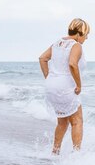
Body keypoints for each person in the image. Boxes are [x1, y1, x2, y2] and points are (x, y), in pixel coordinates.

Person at [39, 18, 90, 154]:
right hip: (66, 88)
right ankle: (76, 155)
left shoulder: (57, 43)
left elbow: (42, 58)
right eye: (86, 35)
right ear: (80, 33)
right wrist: (79, 85)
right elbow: (72, 64)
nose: (86, 38)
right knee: (77, 121)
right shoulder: (76, 45)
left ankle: (55, 152)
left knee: (62, 122)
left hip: (52, 87)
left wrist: (49, 77)